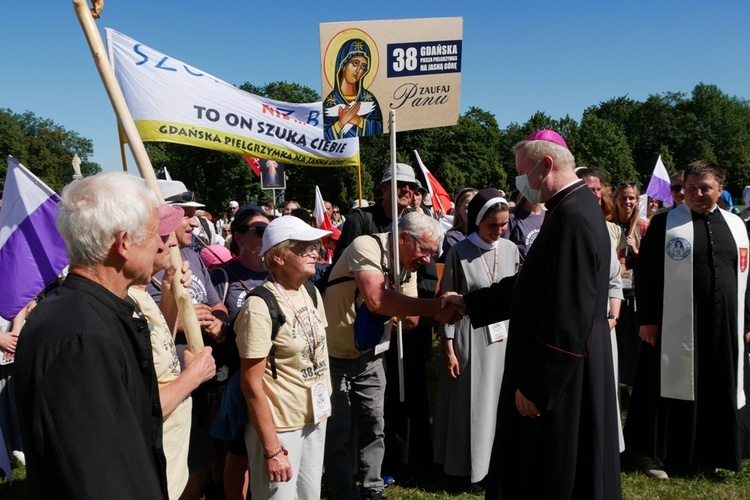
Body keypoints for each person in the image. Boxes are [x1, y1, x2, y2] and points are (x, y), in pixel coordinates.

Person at [451, 130, 621, 498]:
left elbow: (569, 313)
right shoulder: (570, 209)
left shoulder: (573, 216)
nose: (519, 183)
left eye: (522, 171)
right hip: (567, 372)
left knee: (552, 474)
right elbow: (532, 283)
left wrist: (538, 386)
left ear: (545, 165)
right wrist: (469, 303)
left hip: (562, 380)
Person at [14, 172, 170, 499]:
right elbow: (104, 475)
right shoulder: (82, 335)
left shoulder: (93, 314)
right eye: (155, 233)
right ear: (124, 242)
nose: (160, 244)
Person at [323, 212, 464, 499]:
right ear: (402, 238)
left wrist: (399, 305)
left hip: (372, 356)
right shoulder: (365, 246)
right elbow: (376, 300)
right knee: (339, 429)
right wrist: (433, 307)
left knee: (375, 423)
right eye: (424, 250)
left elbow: (411, 321)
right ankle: (342, 491)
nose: (427, 260)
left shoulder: (406, 266)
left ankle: (372, 488)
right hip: (334, 354)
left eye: (431, 253)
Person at [624, 160, 750, 478]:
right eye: (689, 187)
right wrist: (647, 320)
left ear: (719, 189)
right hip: (672, 327)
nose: (695, 193)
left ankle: (709, 457)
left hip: (724, 329)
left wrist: (746, 322)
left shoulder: (736, 225)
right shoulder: (666, 222)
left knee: (715, 389)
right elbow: (647, 273)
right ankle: (658, 455)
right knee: (665, 389)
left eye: (704, 188)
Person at [235, 215, 333, 499]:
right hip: (280, 427)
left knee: (310, 494)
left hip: (315, 416)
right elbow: (251, 383)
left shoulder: (311, 291)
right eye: (304, 246)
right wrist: (272, 448)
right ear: (278, 256)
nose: (315, 250)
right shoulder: (259, 306)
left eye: (314, 244)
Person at [432, 189, 519, 492]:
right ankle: (466, 467)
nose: (498, 231)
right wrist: (448, 346)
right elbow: (447, 304)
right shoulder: (459, 251)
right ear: (478, 222)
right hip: (470, 338)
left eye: (503, 224)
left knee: (498, 403)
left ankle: (494, 463)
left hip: (503, 339)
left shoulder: (510, 250)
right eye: (492, 225)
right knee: (471, 404)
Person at [129, 203, 217, 500]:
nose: (169, 243)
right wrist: (193, 376)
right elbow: (139, 406)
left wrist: (168, 290)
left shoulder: (142, 294)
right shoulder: (123, 302)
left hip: (173, 445)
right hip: (155, 447)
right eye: (162, 235)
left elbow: (160, 340)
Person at [149, 179, 230, 500]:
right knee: (174, 464)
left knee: (198, 460)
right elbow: (140, 316)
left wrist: (218, 323)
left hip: (200, 376)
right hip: (169, 379)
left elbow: (216, 302)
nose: (195, 221)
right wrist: (182, 320)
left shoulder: (193, 257)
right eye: (186, 214)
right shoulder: (151, 261)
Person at [612, 181, 648, 390]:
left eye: (631, 198)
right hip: (613, 291)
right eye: (623, 197)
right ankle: (615, 382)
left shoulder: (642, 226)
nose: (627, 202)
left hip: (634, 292)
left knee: (634, 341)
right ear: (615, 199)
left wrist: (636, 250)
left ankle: (635, 385)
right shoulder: (608, 223)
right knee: (616, 339)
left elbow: (651, 264)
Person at [323, 38, 383, 140]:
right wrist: (340, 123)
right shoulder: (331, 101)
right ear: (343, 64)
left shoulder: (368, 98)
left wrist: (359, 121)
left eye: (363, 66)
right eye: (355, 63)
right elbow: (321, 135)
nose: (358, 70)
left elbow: (382, 127)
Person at [441, 187, 477, 257]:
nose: (472, 211)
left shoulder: (487, 234)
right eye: (467, 208)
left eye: (476, 207)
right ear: (458, 210)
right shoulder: (452, 237)